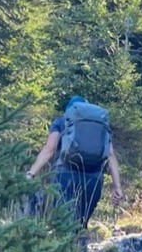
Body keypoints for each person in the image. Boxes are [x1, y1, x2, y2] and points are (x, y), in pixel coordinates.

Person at [26, 96, 123, 243]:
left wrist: (31, 173)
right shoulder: (99, 125)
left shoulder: (62, 121)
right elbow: (110, 156)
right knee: (81, 224)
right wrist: (117, 187)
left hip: (65, 176)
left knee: (64, 222)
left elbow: (50, 148)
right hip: (93, 179)